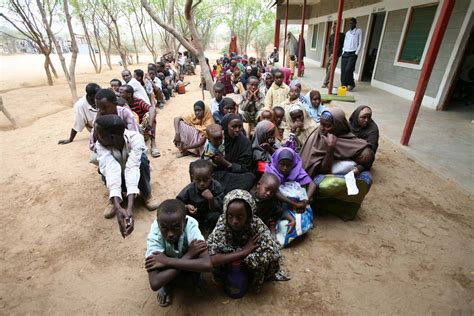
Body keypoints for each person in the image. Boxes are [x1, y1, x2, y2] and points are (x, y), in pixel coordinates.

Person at [207, 189, 289, 297]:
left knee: (269, 255)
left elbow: (270, 250)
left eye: (240, 217)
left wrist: (247, 257)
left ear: (249, 215)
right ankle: (225, 276)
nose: (234, 221)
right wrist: (243, 252)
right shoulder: (223, 223)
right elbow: (210, 258)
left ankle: (252, 279)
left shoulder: (256, 224)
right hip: (238, 254)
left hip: (248, 260)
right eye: (230, 215)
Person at [300, 108, 374, 221]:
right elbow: (321, 170)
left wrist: (359, 168)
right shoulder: (318, 137)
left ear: (338, 126)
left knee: (366, 180)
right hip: (318, 175)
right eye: (321, 123)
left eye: (327, 125)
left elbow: (366, 159)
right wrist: (330, 148)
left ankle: (345, 208)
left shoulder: (347, 137)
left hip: (345, 172)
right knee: (326, 185)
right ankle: (322, 204)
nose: (322, 128)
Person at [94, 114, 158, 230]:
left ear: (112, 137)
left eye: (99, 135)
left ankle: (146, 193)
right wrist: (118, 207)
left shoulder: (136, 139)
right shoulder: (100, 144)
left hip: (135, 176)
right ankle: (114, 201)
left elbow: (132, 169)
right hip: (118, 176)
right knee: (102, 168)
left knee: (142, 160)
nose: (96, 137)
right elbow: (111, 171)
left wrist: (129, 208)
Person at [145, 199, 212, 307]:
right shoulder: (155, 235)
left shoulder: (191, 225)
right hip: (185, 263)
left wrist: (166, 261)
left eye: (176, 227)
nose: (170, 234)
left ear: (184, 222)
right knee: (193, 258)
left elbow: (207, 265)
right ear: (158, 223)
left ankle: (195, 279)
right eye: (164, 228)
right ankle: (166, 286)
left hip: (169, 264)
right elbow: (155, 283)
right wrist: (189, 255)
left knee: (197, 263)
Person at [177, 159, 224, 231]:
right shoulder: (190, 188)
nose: (202, 183)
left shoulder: (216, 186)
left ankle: (212, 232)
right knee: (181, 215)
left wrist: (211, 199)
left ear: (212, 177)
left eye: (206, 179)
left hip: (209, 213)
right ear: (193, 178)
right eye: (198, 180)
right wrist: (187, 206)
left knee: (216, 217)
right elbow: (177, 202)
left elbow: (218, 209)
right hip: (195, 213)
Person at [213, 114, 255, 193]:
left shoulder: (244, 142)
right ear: (225, 126)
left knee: (250, 178)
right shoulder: (217, 139)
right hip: (217, 173)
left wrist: (225, 163)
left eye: (240, 127)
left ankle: (224, 194)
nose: (237, 130)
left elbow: (246, 167)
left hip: (234, 175)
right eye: (234, 126)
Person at [265, 147, 316, 213]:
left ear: (293, 163)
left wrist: (306, 200)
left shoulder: (296, 170)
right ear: (277, 162)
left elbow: (312, 184)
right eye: (282, 164)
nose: (285, 168)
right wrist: (294, 204)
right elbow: (275, 192)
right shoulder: (271, 171)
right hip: (279, 202)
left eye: (289, 165)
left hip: (298, 204)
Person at [119, 84, 160, 158]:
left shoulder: (138, 102)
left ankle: (153, 144)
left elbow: (152, 109)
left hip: (141, 130)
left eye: (121, 92)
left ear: (129, 94)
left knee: (150, 116)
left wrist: (150, 125)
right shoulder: (119, 103)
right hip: (128, 132)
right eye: (119, 92)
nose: (119, 94)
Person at [341, 18, 362, 91]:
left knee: (348, 69)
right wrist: (343, 51)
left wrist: (356, 53)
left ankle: (351, 83)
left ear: (355, 23)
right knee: (343, 71)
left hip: (352, 54)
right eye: (350, 23)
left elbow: (360, 43)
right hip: (345, 53)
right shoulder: (347, 33)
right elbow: (345, 43)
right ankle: (343, 85)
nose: (351, 24)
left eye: (352, 23)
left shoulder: (358, 31)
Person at [322, 24, 344, 88]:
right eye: (333, 28)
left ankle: (325, 83)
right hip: (331, 54)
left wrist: (339, 54)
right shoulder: (332, 36)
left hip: (336, 55)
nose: (334, 29)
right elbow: (329, 44)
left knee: (330, 68)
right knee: (327, 66)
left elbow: (342, 45)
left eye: (335, 27)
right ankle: (329, 81)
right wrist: (329, 53)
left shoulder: (342, 36)